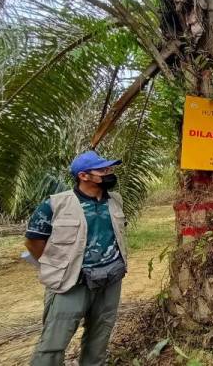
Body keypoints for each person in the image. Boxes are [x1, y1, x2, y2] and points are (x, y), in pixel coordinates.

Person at [25, 151, 128, 366]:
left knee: (99, 339)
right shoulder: (56, 204)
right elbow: (34, 241)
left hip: (110, 280)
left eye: (109, 169)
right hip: (71, 284)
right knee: (53, 344)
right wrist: (58, 266)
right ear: (84, 176)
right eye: (103, 170)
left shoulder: (115, 201)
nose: (109, 173)